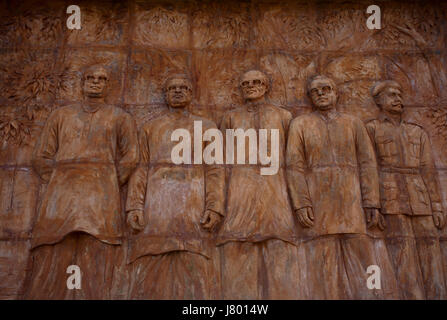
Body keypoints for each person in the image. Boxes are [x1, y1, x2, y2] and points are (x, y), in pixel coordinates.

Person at [24, 65, 139, 299]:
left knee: (99, 255)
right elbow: (40, 157)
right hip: (61, 199)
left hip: (101, 201)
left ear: (108, 85)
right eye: (90, 78)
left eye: (101, 79)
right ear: (82, 82)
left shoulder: (120, 117)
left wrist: (106, 182)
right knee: (52, 254)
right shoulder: (61, 115)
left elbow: (131, 157)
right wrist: (61, 180)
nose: (95, 82)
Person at [286, 75, 399, 299]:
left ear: (336, 93)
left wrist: (372, 202)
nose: (321, 93)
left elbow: (367, 163)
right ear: (309, 97)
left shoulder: (353, 123)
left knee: (365, 262)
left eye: (326, 88)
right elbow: (293, 166)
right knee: (324, 268)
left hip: (352, 204)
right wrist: (301, 203)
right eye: (315, 91)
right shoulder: (300, 124)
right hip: (319, 205)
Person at [126, 74, 225, 299]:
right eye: (172, 88)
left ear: (191, 94)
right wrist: (134, 206)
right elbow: (140, 168)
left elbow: (215, 169)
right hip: (156, 209)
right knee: (152, 266)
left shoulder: (207, 127)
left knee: (194, 266)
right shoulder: (150, 128)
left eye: (183, 88)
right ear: (166, 94)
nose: (178, 91)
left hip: (193, 206)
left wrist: (214, 207)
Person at [217, 70, 301, 299]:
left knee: (278, 245)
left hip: (276, 192)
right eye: (246, 83)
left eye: (256, 82)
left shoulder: (284, 117)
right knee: (238, 245)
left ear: (266, 86)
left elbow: (294, 160)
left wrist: (299, 202)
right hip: (240, 191)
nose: (251, 86)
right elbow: (221, 161)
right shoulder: (230, 118)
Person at [366, 80, 447, 299]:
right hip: (391, 199)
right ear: (379, 101)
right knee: (403, 256)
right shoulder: (371, 129)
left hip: (420, 200)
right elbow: (368, 167)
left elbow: (428, 171)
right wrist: (373, 203)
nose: (397, 98)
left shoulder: (417, 132)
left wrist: (437, 206)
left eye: (399, 94)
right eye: (391, 95)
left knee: (432, 252)